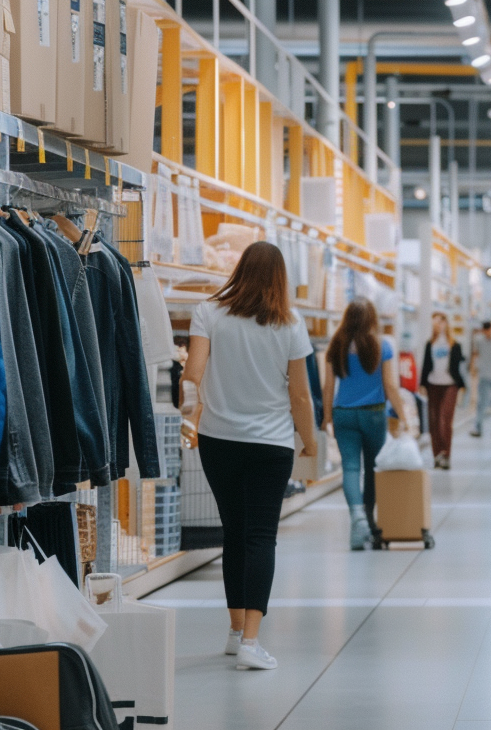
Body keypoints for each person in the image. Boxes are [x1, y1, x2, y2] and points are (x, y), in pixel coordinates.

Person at [180, 242, 318, 671]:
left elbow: (192, 375)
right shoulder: (291, 323)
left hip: (219, 441)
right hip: (271, 444)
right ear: (280, 277)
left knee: (234, 532)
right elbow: (299, 394)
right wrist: (310, 442)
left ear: (239, 270)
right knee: (260, 536)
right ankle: (252, 644)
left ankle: (236, 631)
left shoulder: (208, 311)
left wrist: (190, 416)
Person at [322, 298, 409, 551]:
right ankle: (370, 523)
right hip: (373, 414)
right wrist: (403, 415)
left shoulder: (335, 345)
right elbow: (391, 385)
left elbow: (328, 387)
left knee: (350, 468)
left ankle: (357, 519)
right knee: (372, 469)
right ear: (372, 319)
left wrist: (327, 417)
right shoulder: (382, 345)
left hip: (343, 415)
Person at [421, 312, 465, 469]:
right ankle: (437, 454)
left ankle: (446, 454)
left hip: (450, 384)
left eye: (440, 322)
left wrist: (462, 385)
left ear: (446, 323)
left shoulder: (454, 345)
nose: (438, 325)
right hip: (433, 384)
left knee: (445, 419)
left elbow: (459, 366)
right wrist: (422, 384)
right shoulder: (430, 344)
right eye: (435, 322)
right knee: (433, 420)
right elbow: (426, 365)